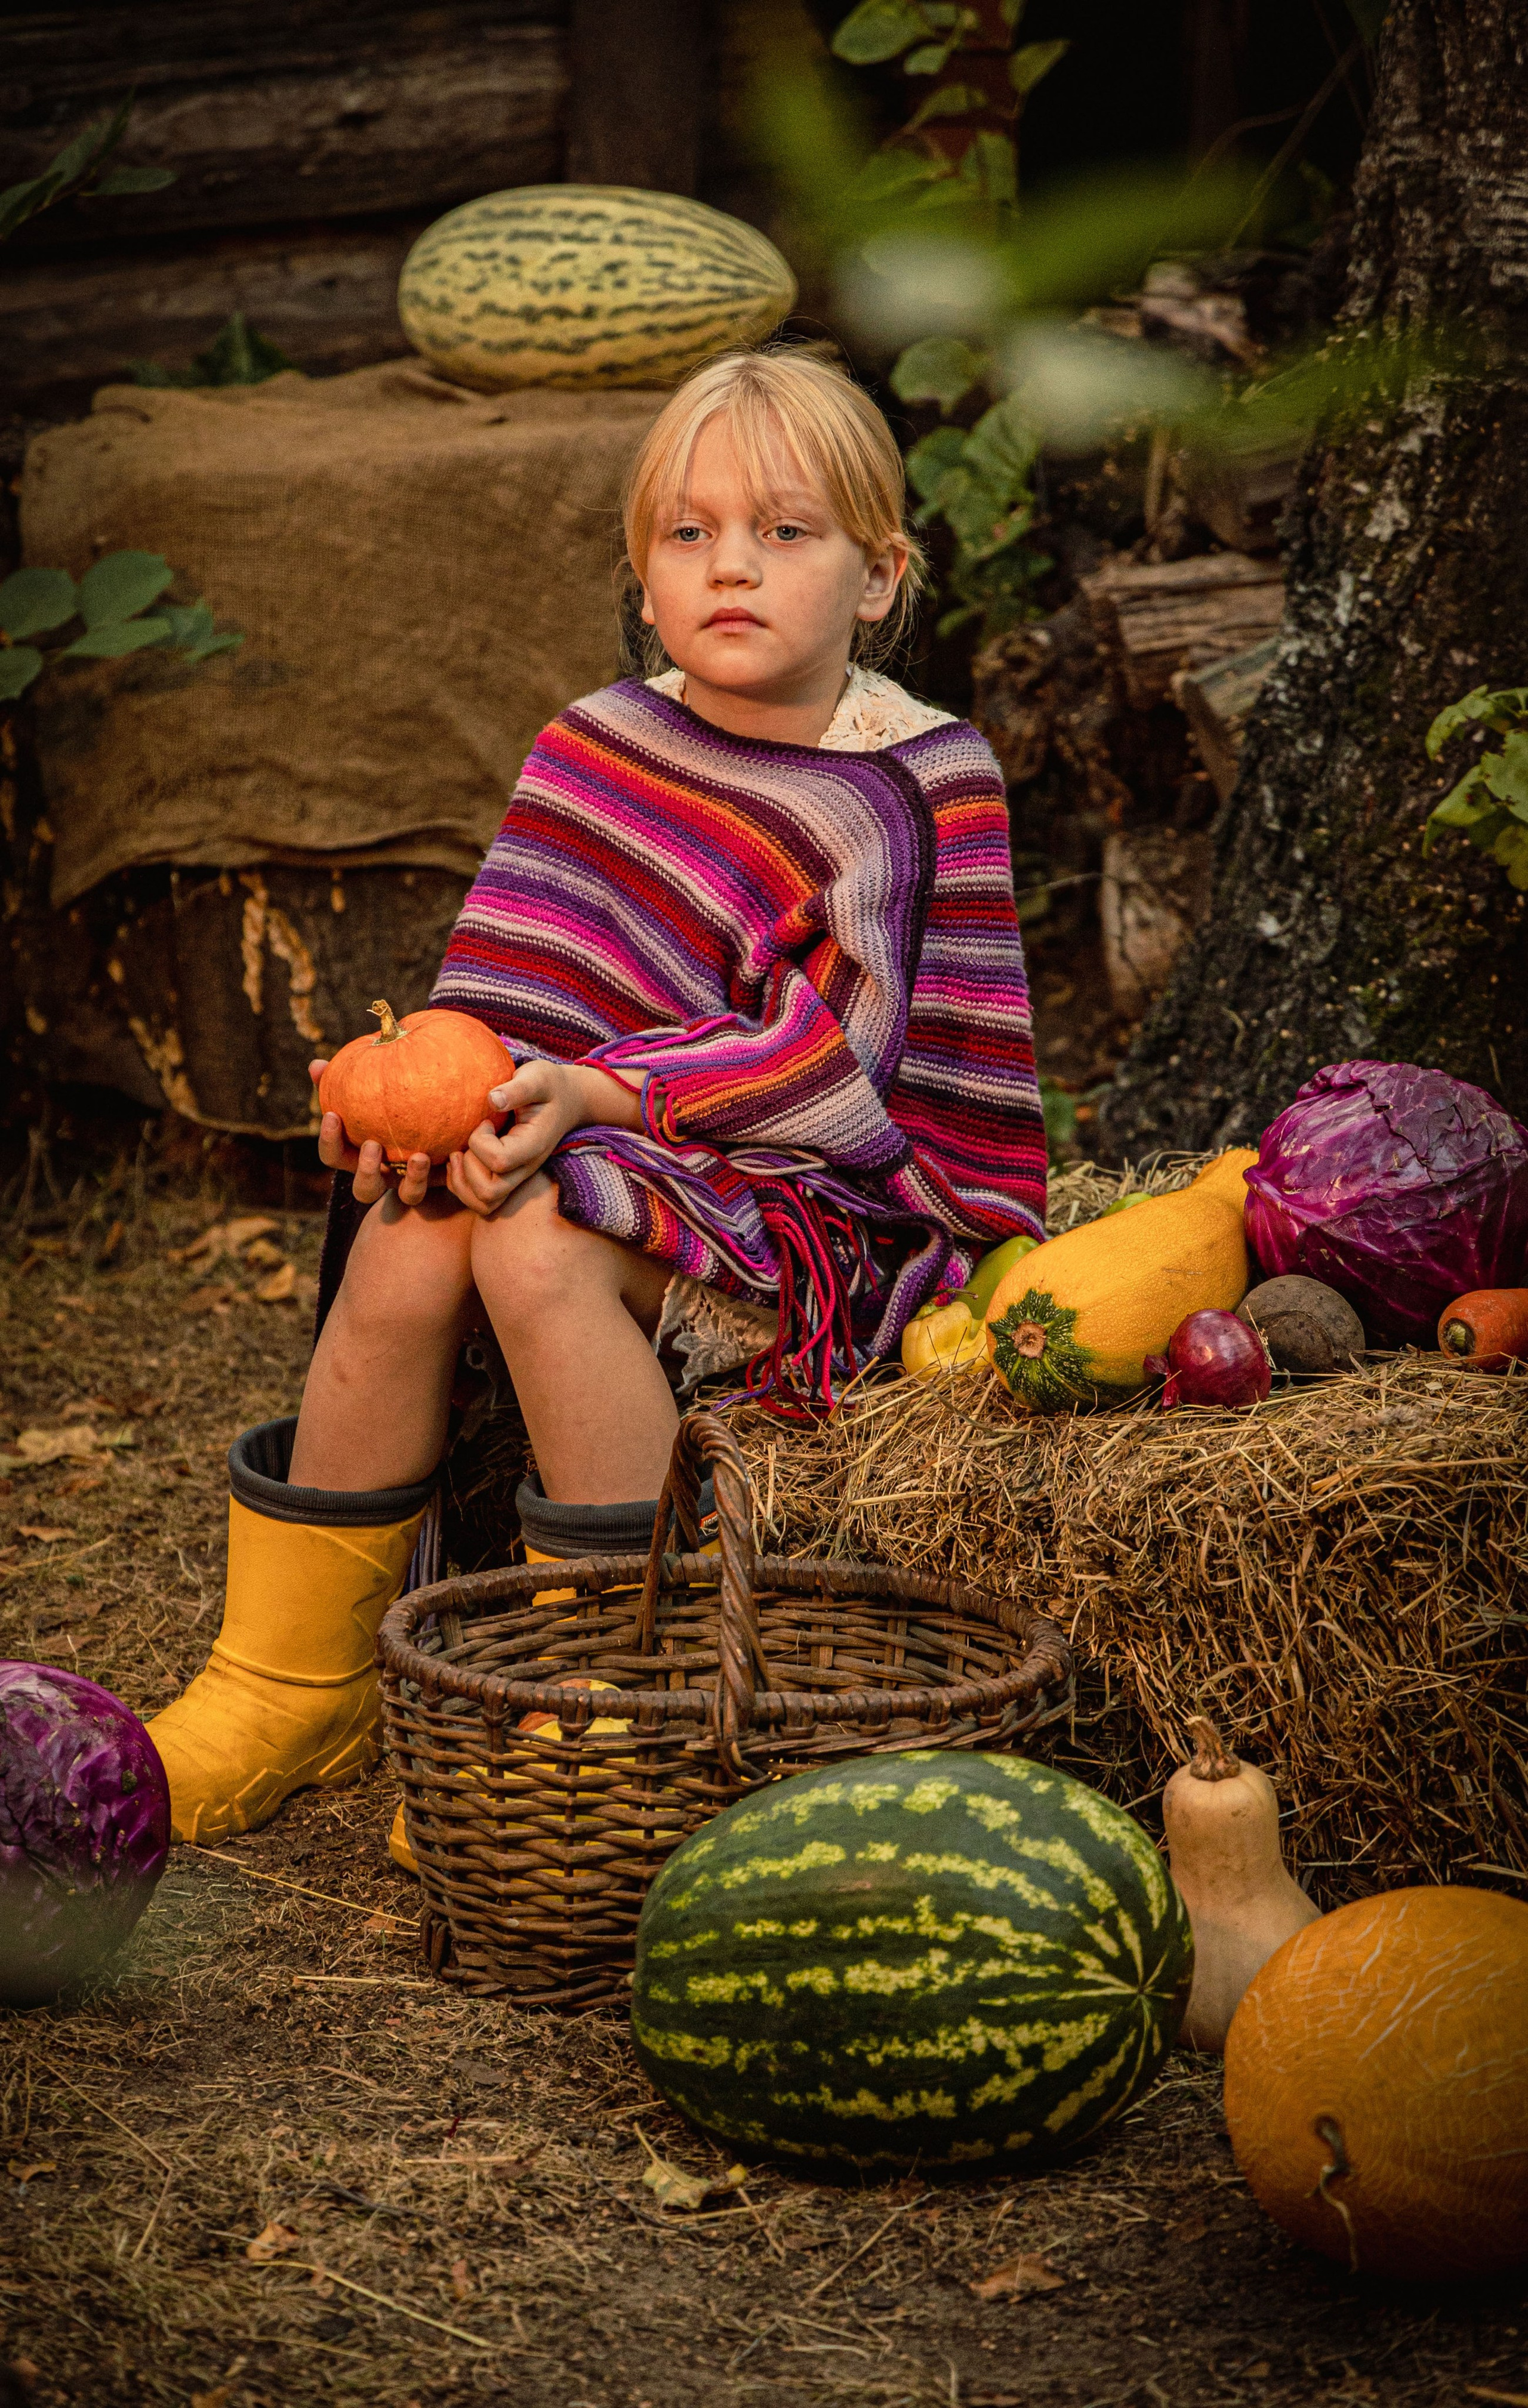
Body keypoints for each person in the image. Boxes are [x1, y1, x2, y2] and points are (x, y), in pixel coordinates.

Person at [146, 346, 1048, 1845]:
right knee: (431, 1221)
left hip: (831, 1187)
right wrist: (400, 1107)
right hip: (615, 1131)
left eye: (784, 531)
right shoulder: (597, 740)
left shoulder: (911, 781)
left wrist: (594, 1099)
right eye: (686, 536)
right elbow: (498, 1004)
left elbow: (845, 1065)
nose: (730, 568)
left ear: (879, 576)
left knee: (538, 1239)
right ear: (640, 581)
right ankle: (292, 1678)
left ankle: (609, 1682)